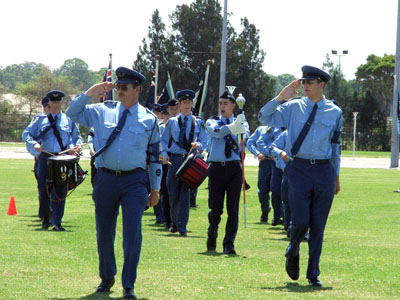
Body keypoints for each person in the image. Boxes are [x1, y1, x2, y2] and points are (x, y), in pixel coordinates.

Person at [66, 67, 162, 300]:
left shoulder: (149, 119)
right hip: (106, 178)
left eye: (124, 87)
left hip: (135, 181)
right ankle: (106, 278)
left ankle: (128, 284)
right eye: (118, 86)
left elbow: (154, 156)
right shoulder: (101, 111)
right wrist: (89, 93)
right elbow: (72, 113)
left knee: (132, 234)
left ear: (136, 89)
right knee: (104, 232)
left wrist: (156, 187)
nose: (119, 90)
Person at [258, 65, 342, 287]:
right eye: (303, 82)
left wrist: (336, 176)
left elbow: (335, 147)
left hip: (324, 170)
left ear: (321, 84)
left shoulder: (335, 112)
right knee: (301, 220)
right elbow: (263, 118)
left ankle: (313, 273)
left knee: (318, 225)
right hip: (299, 168)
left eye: (309, 82)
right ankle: (293, 248)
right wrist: (280, 98)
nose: (304, 86)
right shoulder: (292, 107)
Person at [22, 90, 83, 231]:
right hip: (45, 157)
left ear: (62, 102)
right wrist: (34, 144)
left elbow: (76, 138)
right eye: (53, 102)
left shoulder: (69, 120)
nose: (56, 105)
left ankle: (57, 222)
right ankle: (45, 216)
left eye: (58, 102)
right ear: (48, 103)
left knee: (60, 190)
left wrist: (74, 147)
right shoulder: (39, 119)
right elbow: (26, 134)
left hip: (62, 158)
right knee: (44, 189)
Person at [205, 89, 249, 254]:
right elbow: (217, 133)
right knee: (215, 208)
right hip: (216, 168)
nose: (222, 107)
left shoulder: (241, 121)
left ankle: (229, 244)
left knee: (233, 208)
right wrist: (232, 127)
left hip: (234, 168)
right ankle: (212, 233)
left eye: (226, 104)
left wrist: (241, 130)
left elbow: (245, 140)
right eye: (220, 103)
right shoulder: (213, 121)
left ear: (233, 105)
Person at [160, 89, 208, 237]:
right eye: (184, 103)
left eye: (189, 102)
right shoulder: (172, 122)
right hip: (174, 159)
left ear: (192, 104)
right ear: (179, 104)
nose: (187, 105)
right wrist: (164, 154)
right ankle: (174, 222)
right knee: (173, 194)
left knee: (185, 195)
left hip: (190, 160)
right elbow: (163, 139)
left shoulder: (198, 122)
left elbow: (204, 141)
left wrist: (198, 146)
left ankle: (182, 227)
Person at [247, 126, 274, 223]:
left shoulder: (284, 127)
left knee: (279, 191)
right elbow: (250, 142)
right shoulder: (261, 129)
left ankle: (280, 215)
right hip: (266, 162)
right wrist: (257, 153)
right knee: (262, 190)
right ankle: (265, 210)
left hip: (280, 162)